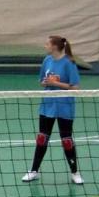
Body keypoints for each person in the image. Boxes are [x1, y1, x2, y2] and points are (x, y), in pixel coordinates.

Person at [22, 35, 83, 185]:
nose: (45, 46)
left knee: (67, 140)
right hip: (47, 105)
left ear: (55, 46)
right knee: (42, 138)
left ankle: (75, 172)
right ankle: (33, 171)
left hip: (65, 107)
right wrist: (45, 82)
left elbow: (75, 87)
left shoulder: (69, 63)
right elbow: (42, 81)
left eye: (47, 44)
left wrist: (56, 83)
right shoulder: (47, 61)